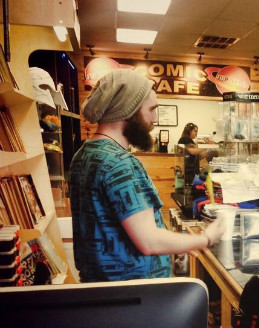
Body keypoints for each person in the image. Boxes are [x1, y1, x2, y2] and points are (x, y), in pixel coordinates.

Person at [70, 69, 225, 282]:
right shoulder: (119, 163)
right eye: (151, 109)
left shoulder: (84, 153)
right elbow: (149, 241)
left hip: (103, 292)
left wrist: (176, 242)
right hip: (130, 297)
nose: (155, 118)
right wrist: (204, 239)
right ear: (128, 110)